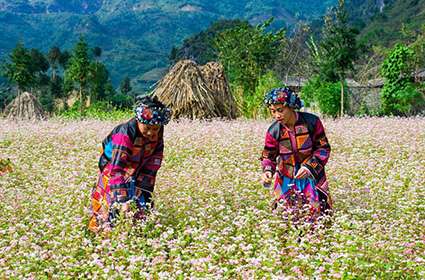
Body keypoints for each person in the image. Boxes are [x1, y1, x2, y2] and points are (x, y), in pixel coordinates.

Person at [88, 95, 171, 233]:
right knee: (110, 204)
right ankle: (101, 238)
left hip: (137, 168)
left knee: (141, 202)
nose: (151, 132)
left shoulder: (157, 135)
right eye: (147, 127)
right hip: (113, 167)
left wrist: (143, 189)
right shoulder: (124, 133)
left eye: (155, 128)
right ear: (139, 121)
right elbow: (116, 168)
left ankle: (138, 233)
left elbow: (153, 165)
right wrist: (123, 201)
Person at [260, 87, 332, 221]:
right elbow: (268, 155)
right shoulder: (273, 131)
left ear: (292, 107)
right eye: (273, 111)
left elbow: (323, 148)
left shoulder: (312, 122)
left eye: (280, 110)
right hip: (286, 178)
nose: (276, 115)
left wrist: (309, 167)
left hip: (311, 177)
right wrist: (268, 170)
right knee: (286, 218)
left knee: (316, 217)